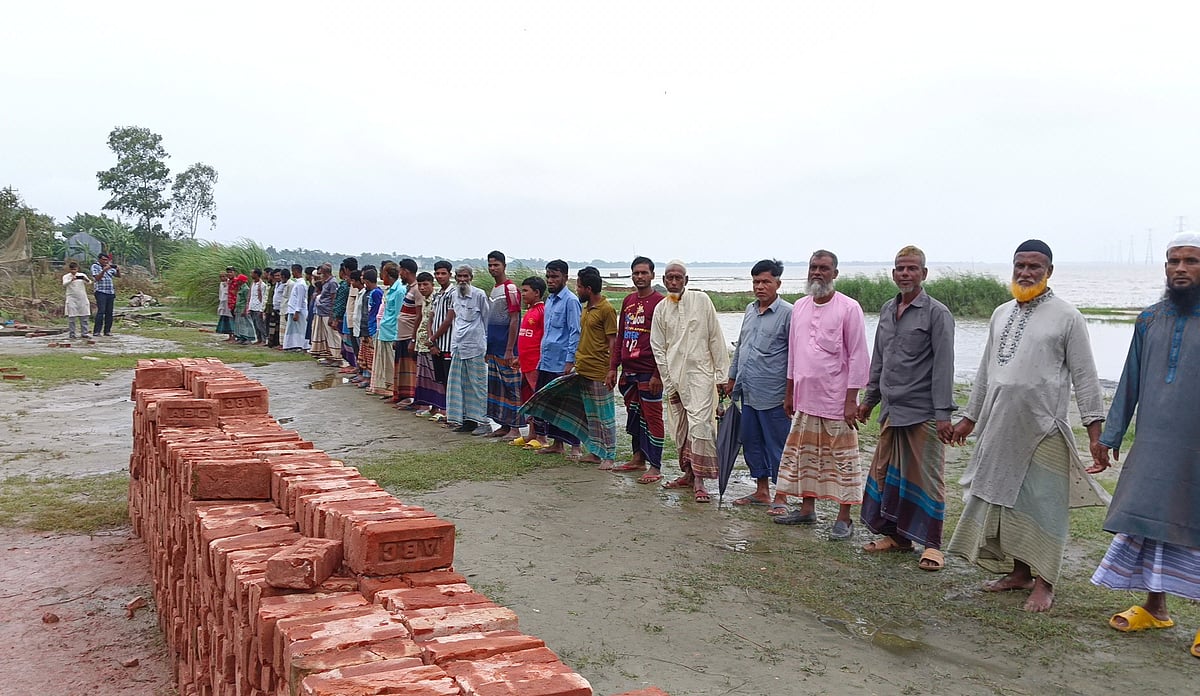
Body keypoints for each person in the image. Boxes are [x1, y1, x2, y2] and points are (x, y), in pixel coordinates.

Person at [946, 239, 1109, 613]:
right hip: (1001, 425)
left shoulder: (1068, 316)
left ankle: (1046, 583)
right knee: (1009, 505)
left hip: (1045, 428)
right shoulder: (1001, 313)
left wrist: (1096, 433)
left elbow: (1086, 376)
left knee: (1044, 507)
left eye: (1035, 266)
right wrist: (969, 420)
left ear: (1049, 271)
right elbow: (987, 373)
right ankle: (1019, 573)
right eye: (1020, 265)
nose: (1026, 272)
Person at [1090, 231, 1200, 657]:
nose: (1180, 269)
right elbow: (1130, 379)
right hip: (1154, 444)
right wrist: (1111, 434)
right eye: (1174, 261)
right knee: (1149, 523)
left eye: (1191, 261)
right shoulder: (1149, 319)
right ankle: (1156, 609)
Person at [855, 246, 956, 570]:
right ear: (893, 273)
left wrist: (943, 415)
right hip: (891, 411)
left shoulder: (937, 313)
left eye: (912, 269)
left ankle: (933, 546)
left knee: (927, 479)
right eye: (900, 268)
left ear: (924, 274)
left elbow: (944, 366)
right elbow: (880, 359)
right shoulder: (887, 310)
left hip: (922, 412)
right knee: (886, 474)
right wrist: (869, 401)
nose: (905, 274)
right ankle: (896, 537)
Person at [772, 250, 870, 537]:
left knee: (843, 462)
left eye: (824, 268)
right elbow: (793, 354)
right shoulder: (800, 307)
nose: (817, 272)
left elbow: (858, 357)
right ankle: (806, 510)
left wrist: (851, 400)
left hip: (837, 401)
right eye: (813, 267)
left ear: (835, 274)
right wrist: (789, 392)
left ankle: (844, 518)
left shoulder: (849, 308)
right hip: (805, 399)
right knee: (805, 457)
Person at [522, 267, 619, 468]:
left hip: (599, 369)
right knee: (588, 414)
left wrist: (612, 369)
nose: (578, 289)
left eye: (580, 286)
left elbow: (612, 341)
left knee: (604, 415)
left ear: (589, 289)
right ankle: (594, 451)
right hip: (583, 367)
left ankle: (609, 456)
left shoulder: (606, 309)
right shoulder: (585, 308)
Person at [650, 260, 729, 503]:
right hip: (674, 378)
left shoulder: (702, 301)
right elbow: (658, 346)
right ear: (663, 281)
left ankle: (700, 481)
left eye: (678, 277)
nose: (674, 282)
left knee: (700, 426)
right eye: (669, 278)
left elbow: (716, 337)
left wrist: (722, 376)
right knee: (680, 428)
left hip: (701, 377)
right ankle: (687, 474)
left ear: (687, 280)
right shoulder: (661, 309)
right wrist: (668, 378)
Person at [725, 259, 792, 509]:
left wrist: (790, 393)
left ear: (778, 283)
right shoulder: (749, 310)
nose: (760, 287)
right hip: (748, 392)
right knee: (752, 442)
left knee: (778, 446)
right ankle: (761, 491)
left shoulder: (789, 313)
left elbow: (795, 356)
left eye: (766, 282)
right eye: (756, 282)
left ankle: (782, 496)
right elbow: (741, 346)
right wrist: (732, 379)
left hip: (774, 394)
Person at [606, 256, 666, 484]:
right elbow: (621, 335)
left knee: (653, 418)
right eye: (636, 273)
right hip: (629, 370)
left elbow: (664, 341)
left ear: (652, 275)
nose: (639, 277)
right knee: (634, 415)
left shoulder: (660, 302)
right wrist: (613, 367)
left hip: (649, 371)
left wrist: (658, 374)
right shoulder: (628, 300)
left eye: (644, 273)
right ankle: (637, 458)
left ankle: (655, 465)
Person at [535, 260, 582, 458]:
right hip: (547, 360)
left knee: (568, 405)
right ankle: (557, 443)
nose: (550, 280)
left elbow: (575, 332)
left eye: (555, 277)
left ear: (565, 277)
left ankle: (575, 446)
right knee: (551, 404)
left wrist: (570, 361)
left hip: (562, 362)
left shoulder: (571, 301)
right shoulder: (550, 300)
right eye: (548, 277)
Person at [437, 265, 490, 434]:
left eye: (465, 276)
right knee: (460, 384)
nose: (462, 280)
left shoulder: (479, 294)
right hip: (459, 345)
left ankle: (483, 422)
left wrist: (485, 344)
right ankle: (467, 420)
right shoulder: (454, 295)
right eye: (459, 276)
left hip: (475, 346)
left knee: (477, 385)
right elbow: (456, 319)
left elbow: (486, 319)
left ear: (471, 278)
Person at [483, 251, 524, 438]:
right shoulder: (495, 289)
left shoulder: (511, 289)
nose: (493, 268)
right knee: (497, 387)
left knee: (512, 388)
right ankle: (504, 425)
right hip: (494, 347)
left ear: (504, 266)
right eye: (490, 265)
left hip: (507, 348)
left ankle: (515, 428)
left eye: (496, 265)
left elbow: (515, 319)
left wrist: (510, 349)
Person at [510, 276, 546, 448]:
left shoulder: (542, 311)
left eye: (525, 291)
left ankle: (542, 437)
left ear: (537, 293)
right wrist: (519, 358)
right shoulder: (529, 311)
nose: (522, 294)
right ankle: (531, 433)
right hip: (525, 363)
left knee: (537, 399)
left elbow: (543, 338)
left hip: (535, 364)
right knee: (528, 399)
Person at [426, 260, 455, 423]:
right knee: (442, 380)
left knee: (450, 380)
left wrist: (433, 338)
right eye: (437, 273)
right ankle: (446, 411)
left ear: (450, 274)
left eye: (443, 273)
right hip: (436, 345)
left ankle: (451, 413)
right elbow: (431, 318)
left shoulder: (453, 293)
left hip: (448, 345)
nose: (440, 276)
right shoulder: (438, 294)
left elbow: (448, 320)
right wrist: (431, 342)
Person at [391, 259, 423, 408]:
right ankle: (402, 395)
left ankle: (411, 398)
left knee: (410, 368)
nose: (400, 274)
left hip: (409, 335)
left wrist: (414, 339)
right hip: (402, 335)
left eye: (401, 271)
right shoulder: (410, 289)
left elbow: (419, 315)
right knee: (402, 367)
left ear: (406, 271)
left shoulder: (417, 290)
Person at [413, 272, 443, 415]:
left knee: (434, 378)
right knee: (424, 377)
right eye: (420, 285)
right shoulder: (424, 300)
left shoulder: (436, 299)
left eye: (425, 284)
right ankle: (429, 406)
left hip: (431, 344)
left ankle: (439, 407)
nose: (422, 287)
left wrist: (432, 342)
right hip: (421, 343)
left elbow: (435, 323)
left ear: (432, 284)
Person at [370, 265, 402, 396]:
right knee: (386, 366)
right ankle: (389, 390)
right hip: (384, 330)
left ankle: (395, 391)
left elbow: (399, 315)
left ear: (387, 274)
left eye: (382, 274)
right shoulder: (390, 290)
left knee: (392, 365)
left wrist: (396, 336)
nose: (381, 277)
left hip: (391, 333)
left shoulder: (399, 291)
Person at [352, 267, 383, 389]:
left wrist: (370, 329)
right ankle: (365, 375)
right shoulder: (367, 292)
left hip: (371, 327)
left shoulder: (376, 293)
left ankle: (369, 377)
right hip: (365, 326)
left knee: (371, 355)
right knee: (365, 354)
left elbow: (373, 313)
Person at [88, 253, 120, 337]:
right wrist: (104, 270)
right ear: (99, 259)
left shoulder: (110, 266)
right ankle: (97, 331)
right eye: (104, 260)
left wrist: (118, 269)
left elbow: (118, 276)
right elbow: (97, 278)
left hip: (110, 292)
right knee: (101, 311)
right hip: (100, 291)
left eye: (107, 260)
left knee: (109, 312)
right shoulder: (95, 266)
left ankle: (107, 331)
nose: (106, 261)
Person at [282, 263, 309, 351]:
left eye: (293, 271)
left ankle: (302, 345)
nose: (292, 273)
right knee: (292, 329)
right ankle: (292, 345)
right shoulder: (297, 283)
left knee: (301, 329)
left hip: (298, 310)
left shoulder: (301, 284)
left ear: (296, 271)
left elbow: (300, 299)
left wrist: (297, 312)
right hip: (292, 309)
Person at [62, 261, 92, 340]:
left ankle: (84, 333)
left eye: (75, 269)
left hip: (82, 297)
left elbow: (89, 283)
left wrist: (86, 279)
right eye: (72, 269)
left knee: (84, 316)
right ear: (69, 269)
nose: (73, 271)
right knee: (72, 317)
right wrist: (71, 280)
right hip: (71, 297)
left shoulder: (82, 275)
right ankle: (72, 334)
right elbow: (64, 284)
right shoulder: (66, 276)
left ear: (77, 269)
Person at [232, 273, 256, 344]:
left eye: (238, 280)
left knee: (246, 323)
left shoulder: (246, 289)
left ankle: (248, 338)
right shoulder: (240, 288)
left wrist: (245, 310)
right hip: (238, 308)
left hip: (243, 308)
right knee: (239, 323)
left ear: (241, 281)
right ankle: (241, 337)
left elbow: (247, 300)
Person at [268, 268, 287, 349]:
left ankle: (281, 343)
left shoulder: (285, 285)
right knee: (273, 327)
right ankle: (273, 343)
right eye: (275, 276)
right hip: (275, 307)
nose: (277, 277)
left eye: (278, 275)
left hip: (281, 308)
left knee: (280, 327)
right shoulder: (276, 284)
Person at [249, 268, 268, 345]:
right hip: (252, 306)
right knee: (255, 324)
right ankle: (258, 339)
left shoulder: (262, 285)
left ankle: (264, 339)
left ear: (256, 274)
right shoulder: (253, 284)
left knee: (260, 325)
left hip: (258, 307)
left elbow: (263, 297)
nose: (251, 275)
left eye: (252, 273)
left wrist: (261, 309)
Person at [215, 270, 233, 339]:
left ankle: (232, 335)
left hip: (228, 303)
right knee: (224, 318)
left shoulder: (229, 283)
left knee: (230, 319)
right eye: (221, 277)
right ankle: (229, 335)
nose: (222, 278)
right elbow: (220, 293)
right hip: (223, 302)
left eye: (223, 276)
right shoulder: (221, 284)